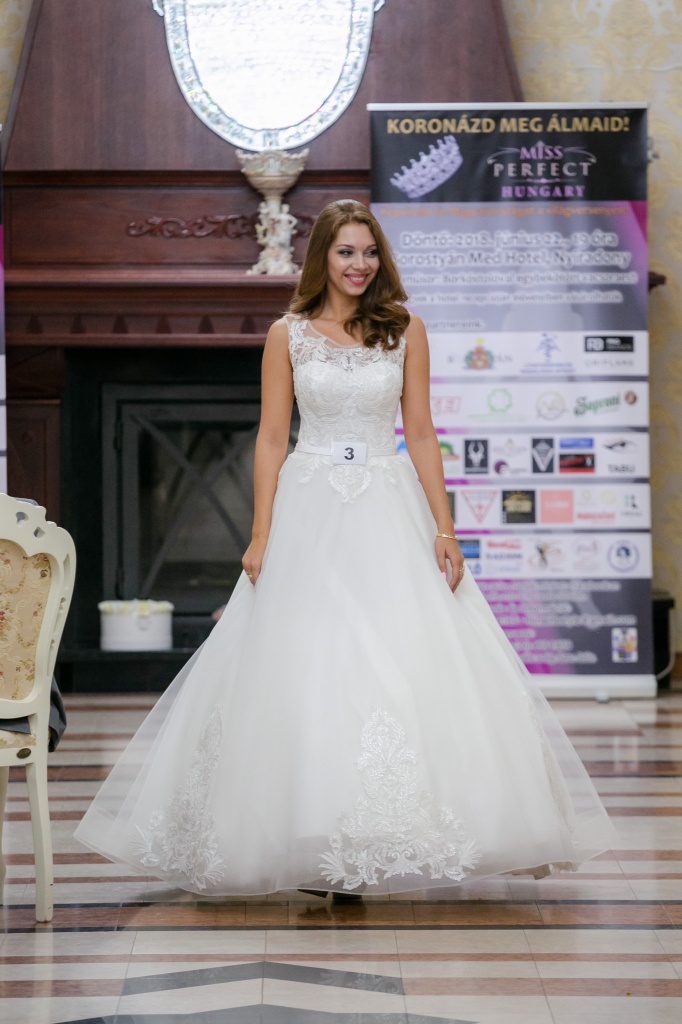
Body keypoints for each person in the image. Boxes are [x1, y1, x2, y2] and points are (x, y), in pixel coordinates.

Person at [75, 200, 615, 897]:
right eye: (345, 252)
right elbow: (272, 437)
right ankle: (308, 832)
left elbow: (422, 432)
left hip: (388, 503)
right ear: (321, 259)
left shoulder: (406, 329)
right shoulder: (288, 335)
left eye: (369, 252)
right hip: (309, 503)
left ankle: (390, 832)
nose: (359, 265)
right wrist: (261, 533)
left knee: (400, 656)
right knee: (306, 661)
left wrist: (445, 529)